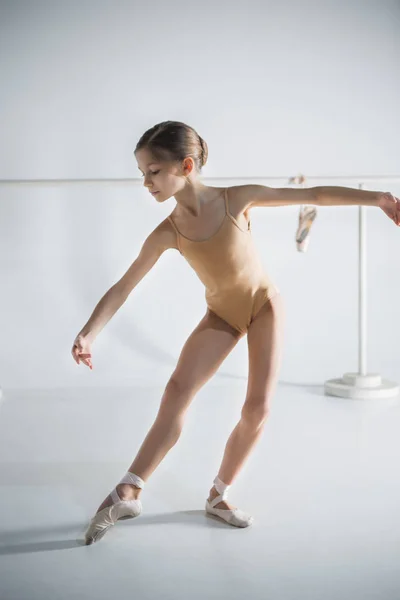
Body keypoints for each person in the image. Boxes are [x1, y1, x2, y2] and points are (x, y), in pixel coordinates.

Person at [71, 121, 400, 545]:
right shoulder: (168, 231)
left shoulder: (236, 199)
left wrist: (378, 199)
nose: (145, 182)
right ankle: (129, 489)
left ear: (186, 165)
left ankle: (219, 494)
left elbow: (312, 195)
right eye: (142, 173)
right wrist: (89, 332)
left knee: (256, 409)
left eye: (153, 171)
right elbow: (124, 286)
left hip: (263, 307)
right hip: (221, 316)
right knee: (176, 391)